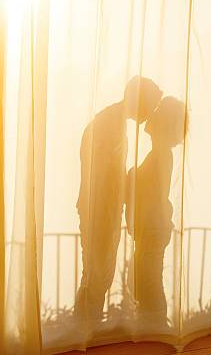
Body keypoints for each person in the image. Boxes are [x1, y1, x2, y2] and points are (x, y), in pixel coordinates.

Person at [74, 76, 162, 321]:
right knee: (96, 275)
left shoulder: (112, 122)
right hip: (99, 211)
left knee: (96, 275)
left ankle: (85, 329)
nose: (151, 113)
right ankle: (85, 328)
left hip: (102, 210)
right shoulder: (110, 125)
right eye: (151, 106)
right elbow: (105, 176)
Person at [125, 96, 186, 327]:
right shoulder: (159, 154)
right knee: (143, 279)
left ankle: (158, 329)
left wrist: (133, 178)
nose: (150, 116)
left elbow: (157, 194)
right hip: (152, 227)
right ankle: (155, 327)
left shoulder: (161, 154)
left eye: (157, 112)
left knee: (148, 281)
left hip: (154, 227)